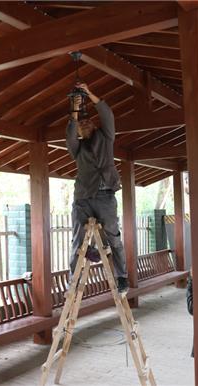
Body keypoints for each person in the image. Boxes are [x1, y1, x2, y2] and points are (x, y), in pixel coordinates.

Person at [66, 83, 128, 293]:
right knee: (78, 240)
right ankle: (73, 282)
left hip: (105, 196)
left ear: (93, 125)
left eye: (87, 121)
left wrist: (90, 94)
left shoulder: (106, 138)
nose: (84, 124)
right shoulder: (77, 149)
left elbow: (107, 116)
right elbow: (70, 135)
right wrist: (75, 110)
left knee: (114, 236)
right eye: (80, 124)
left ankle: (121, 278)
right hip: (83, 197)